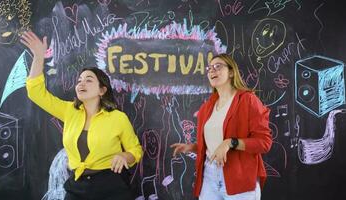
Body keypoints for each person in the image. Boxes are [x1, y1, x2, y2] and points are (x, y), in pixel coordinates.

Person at [21, 31, 143, 200]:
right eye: (79, 81)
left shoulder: (117, 118)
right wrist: (38, 56)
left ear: (102, 90)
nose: (81, 84)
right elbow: (35, 92)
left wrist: (124, 156)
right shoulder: (69, 111)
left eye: (88, 80)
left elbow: (135, 150)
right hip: (77, 186)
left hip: (111, 187)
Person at [171, 53, 272, 200]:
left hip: (239, 177)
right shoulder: (207, 107)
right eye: (209, 68)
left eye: (218, 66)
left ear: (231, 72)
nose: (212, 71)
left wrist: (230, 142)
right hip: (209, 176)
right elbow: (214, 143)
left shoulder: (248, 100)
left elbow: (264, 143)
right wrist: (193, 147)